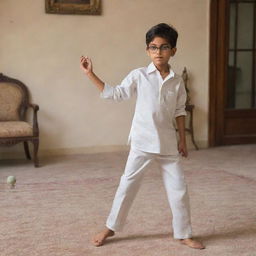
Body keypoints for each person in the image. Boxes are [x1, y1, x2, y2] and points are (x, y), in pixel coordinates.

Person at [80, 23, 205, 250]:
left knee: (179, 190)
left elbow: (179, 111)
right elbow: (116, 94)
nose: (159, 52)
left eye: (164, 47)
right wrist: (91, 74)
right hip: (142, 143)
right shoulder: (139, 75)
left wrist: (183, 141)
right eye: (153, 47)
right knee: (127, 186)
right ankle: (110, 227)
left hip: (168, 144)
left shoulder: (177, 82)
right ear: (147, 50)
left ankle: (184, 233)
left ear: (173, 50)